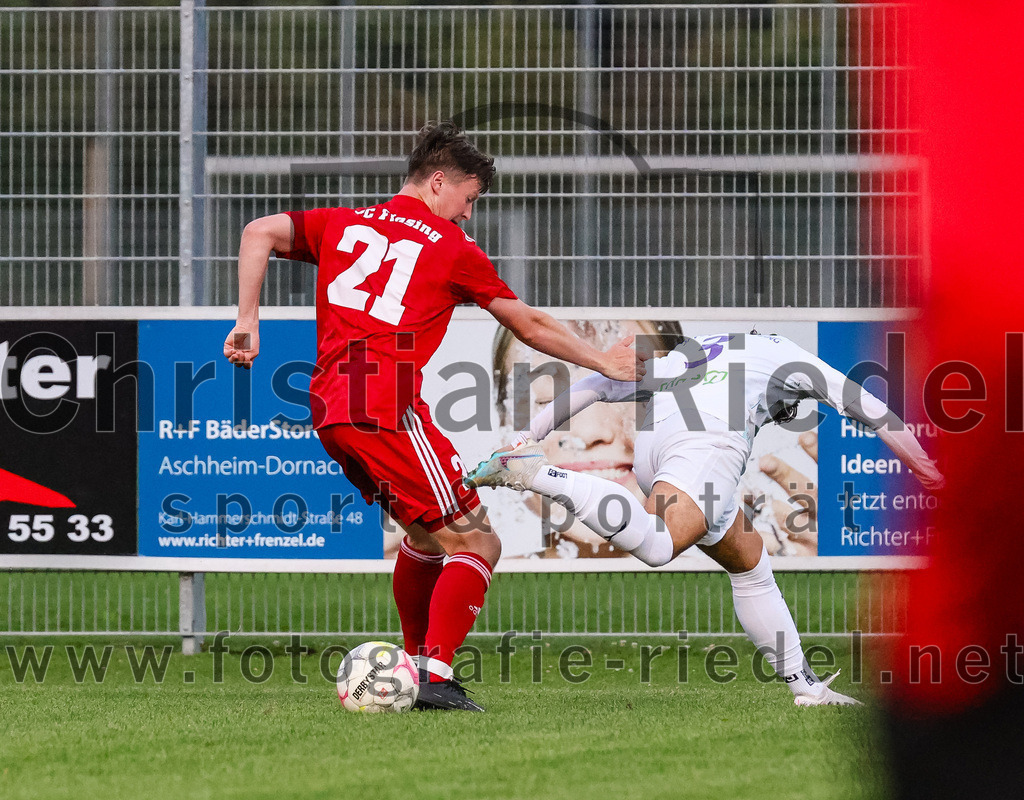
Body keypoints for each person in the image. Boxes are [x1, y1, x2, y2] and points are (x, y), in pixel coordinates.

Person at [223, 121, 644, 711]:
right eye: (469, 199)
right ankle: (436, 677)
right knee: (479, 542)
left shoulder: (342, 223)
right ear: (439, 182)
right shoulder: (451, 249)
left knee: (424, 535)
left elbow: (258, 230)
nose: (469, 215)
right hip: (386, 407)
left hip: (330, 410)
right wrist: (604, 361)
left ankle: (419, 668)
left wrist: (247, 318)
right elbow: (529, 324)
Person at [467, 331, 944, 706]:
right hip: (707, 444)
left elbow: (599, 384)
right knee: (657, 545)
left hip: (657, 449)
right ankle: (537, 473)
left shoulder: (696, 352)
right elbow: (874, 409)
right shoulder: (789, 358)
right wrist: (932, 475)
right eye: (788, 409)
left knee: (749, 561)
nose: (782, 415)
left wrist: (525, 433)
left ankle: (808, 688)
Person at [490, 319, 683, 558]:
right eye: (547, 400)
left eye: (632, 395)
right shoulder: (468, 592)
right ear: (504, 426)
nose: (590, 432)